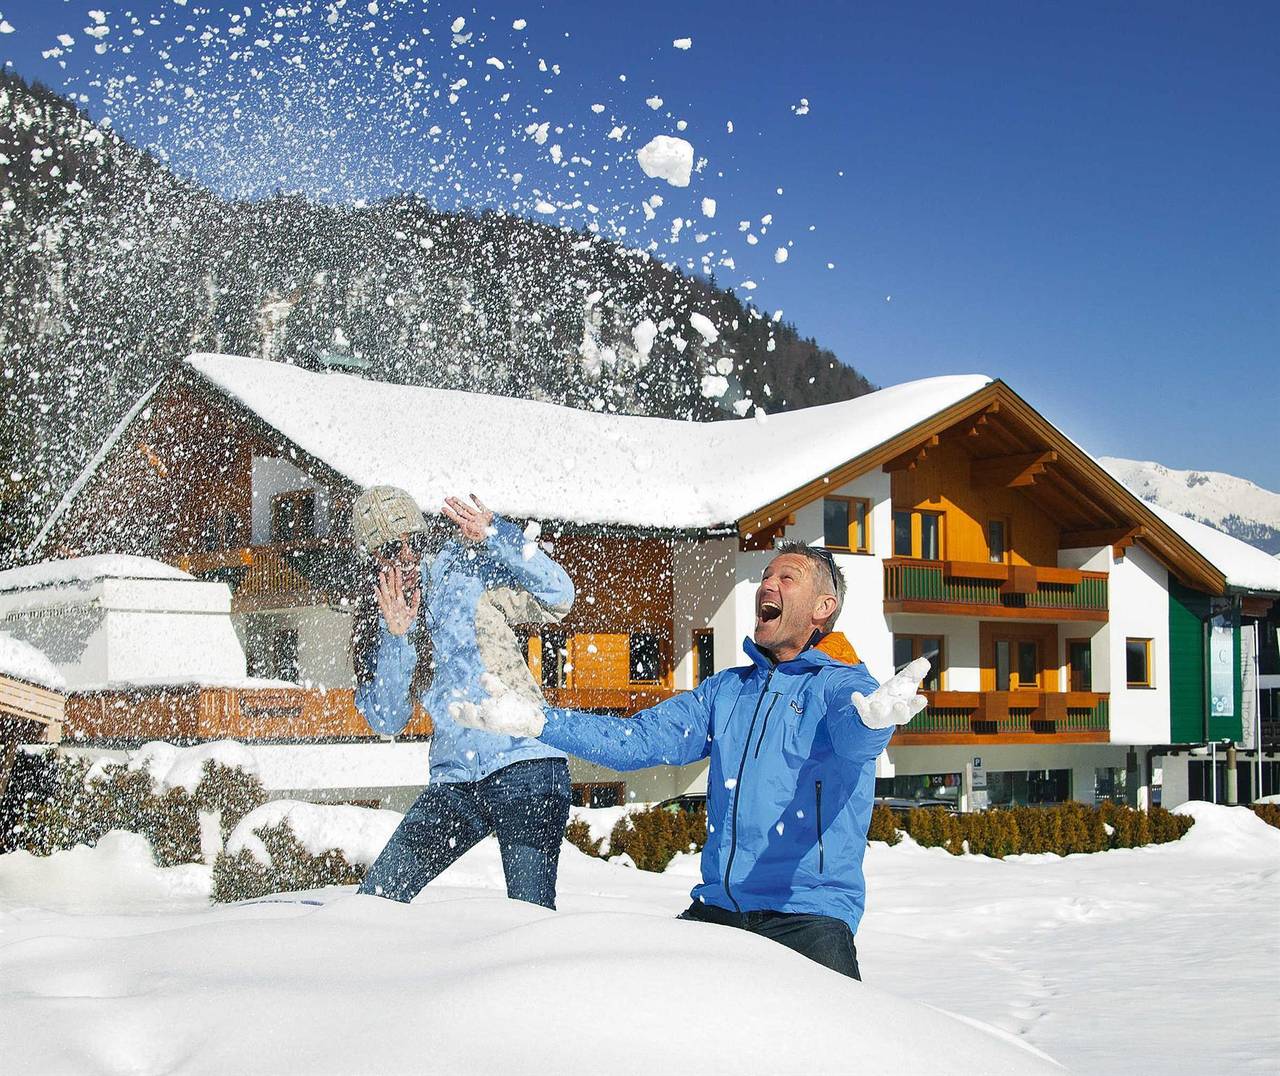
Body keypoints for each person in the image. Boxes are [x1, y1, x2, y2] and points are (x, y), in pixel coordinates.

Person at [451, 541, 928, 978]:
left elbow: (855, 736)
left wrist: (874, 724)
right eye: (766, 575)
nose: (767, 584)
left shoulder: (842, 687)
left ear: (823, 608)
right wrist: (541, 722)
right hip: (719, 912)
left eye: (788, 578)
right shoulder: (726, 692)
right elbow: (634, 740)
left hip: (807, 918)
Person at [350, 486, 575, 909]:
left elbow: (561, 595)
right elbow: (388, 720)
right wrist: (397, 638)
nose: (407, 557)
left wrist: (497, 535)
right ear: (370, 559)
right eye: (389, 550)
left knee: (529, 916)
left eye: (413, 542)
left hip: (524, 761)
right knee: (376, 900)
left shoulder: (465, 568)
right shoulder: (378, 618)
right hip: (456, 781)